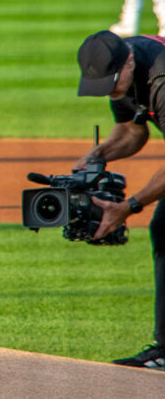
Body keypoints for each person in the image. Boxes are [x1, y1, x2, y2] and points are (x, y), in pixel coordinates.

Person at [73, 29, 165, 369]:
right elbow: (132, 131)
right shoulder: (125, 70)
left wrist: (129, 207)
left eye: (112, 83)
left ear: (128, 62)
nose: (110, 92)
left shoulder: (162, 78)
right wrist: (99, 155)